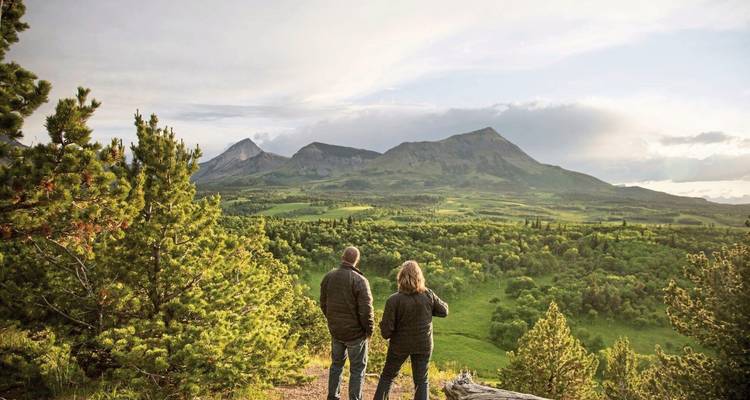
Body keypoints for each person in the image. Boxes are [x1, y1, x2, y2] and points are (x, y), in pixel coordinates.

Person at [373, 260, 449, 400]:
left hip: (399, 345)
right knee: (421, 381)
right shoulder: (428, 295)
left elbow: (386, 333)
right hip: (423, 344)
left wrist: (383, 325)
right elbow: (444, 311)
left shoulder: (394, 300)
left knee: (388, 376)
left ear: (400, 277)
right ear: (420, 277)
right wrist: (428, 308)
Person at [320, 246, 375, 400]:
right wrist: (369, 331)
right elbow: (367, 311)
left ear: (342, 257)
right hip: (356, 335)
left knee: (336, 365)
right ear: (356, 261)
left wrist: (332, 321)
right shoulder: (360, 281)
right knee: (357, 369)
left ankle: (333, 396)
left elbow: (323, 304)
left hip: (336, 331)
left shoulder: (328, 276)